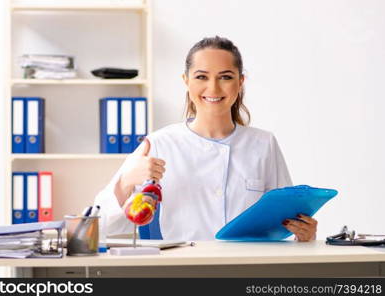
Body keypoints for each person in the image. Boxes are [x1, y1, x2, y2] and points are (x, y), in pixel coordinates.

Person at [94, 36, 317, 242]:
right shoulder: (158, 144)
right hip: (181, 271)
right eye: (201, 76)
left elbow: (284, 223)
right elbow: (99, 226)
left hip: (247, 269)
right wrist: (126, 182)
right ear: (186, 81)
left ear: (240, 82)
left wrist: (304, 235)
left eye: (226, 77)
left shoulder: (263, 144)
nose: (213, 87)